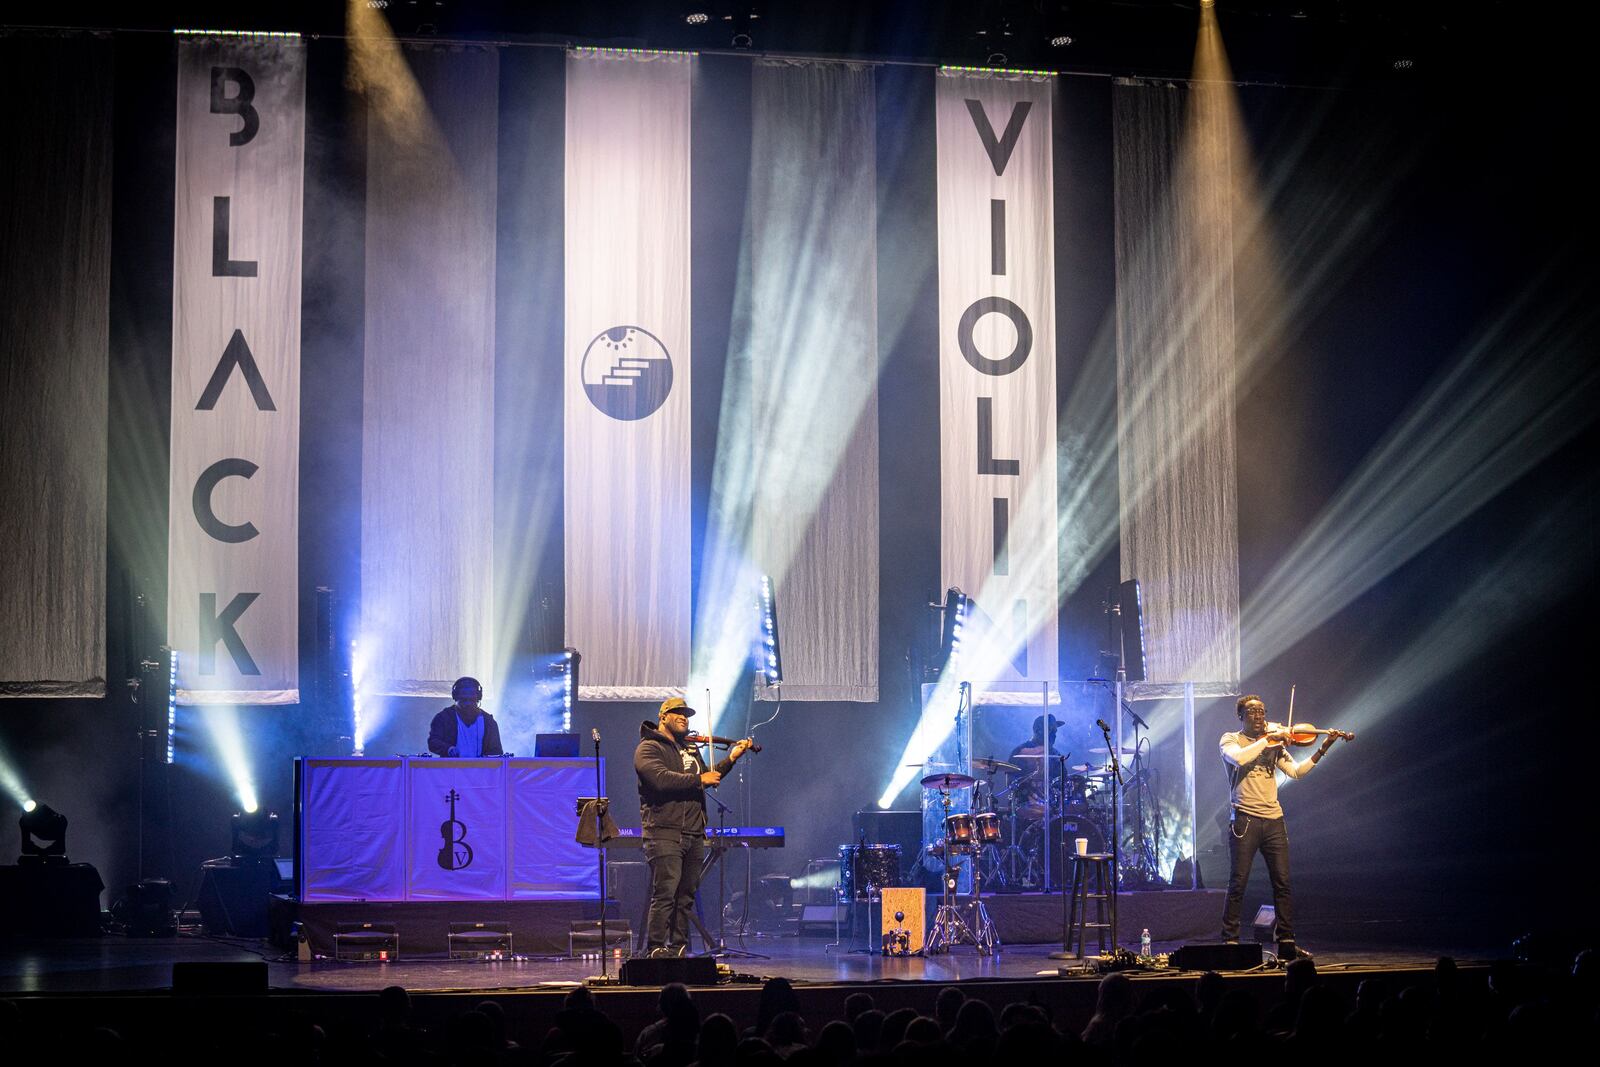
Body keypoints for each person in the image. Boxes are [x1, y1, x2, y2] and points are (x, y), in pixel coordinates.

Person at [1220, 694, 1346, 959]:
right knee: (1238, 883)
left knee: (1283, 883)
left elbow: (1297, 772)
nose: (1259, 716)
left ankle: (1287, 942)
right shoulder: (1230, 739)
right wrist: (1270, 740)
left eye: (1262, 712)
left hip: (1274, 820)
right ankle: (1229, 942)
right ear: (1241, 716)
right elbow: (1240, 759)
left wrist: (1323, 748)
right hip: (1245, 819)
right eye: (1253, 712)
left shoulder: (1275, 743)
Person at [635, 697, 752, 958]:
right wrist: (699, 779)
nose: (684, 717)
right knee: (665, 891)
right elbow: (660, 780)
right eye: (677, 712)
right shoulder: (648, 747)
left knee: (685, 895)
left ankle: (678, 948)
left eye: (686, 714)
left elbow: (708, 778)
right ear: (662, 716)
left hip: (694, 832)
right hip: (664, 830)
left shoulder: (689, 750)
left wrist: (730, 759)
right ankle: (656, 947)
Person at [427, 677, 504, 757]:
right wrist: (448, 749)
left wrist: (486, 758)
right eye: (464, 700)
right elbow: (433, 742)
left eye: (471, 700)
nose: (468, 704)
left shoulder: (488, 722)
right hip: (450, 768)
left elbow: (496, 751)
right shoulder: (444, 718)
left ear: (478, 698)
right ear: (455, 697)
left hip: (481, 769)